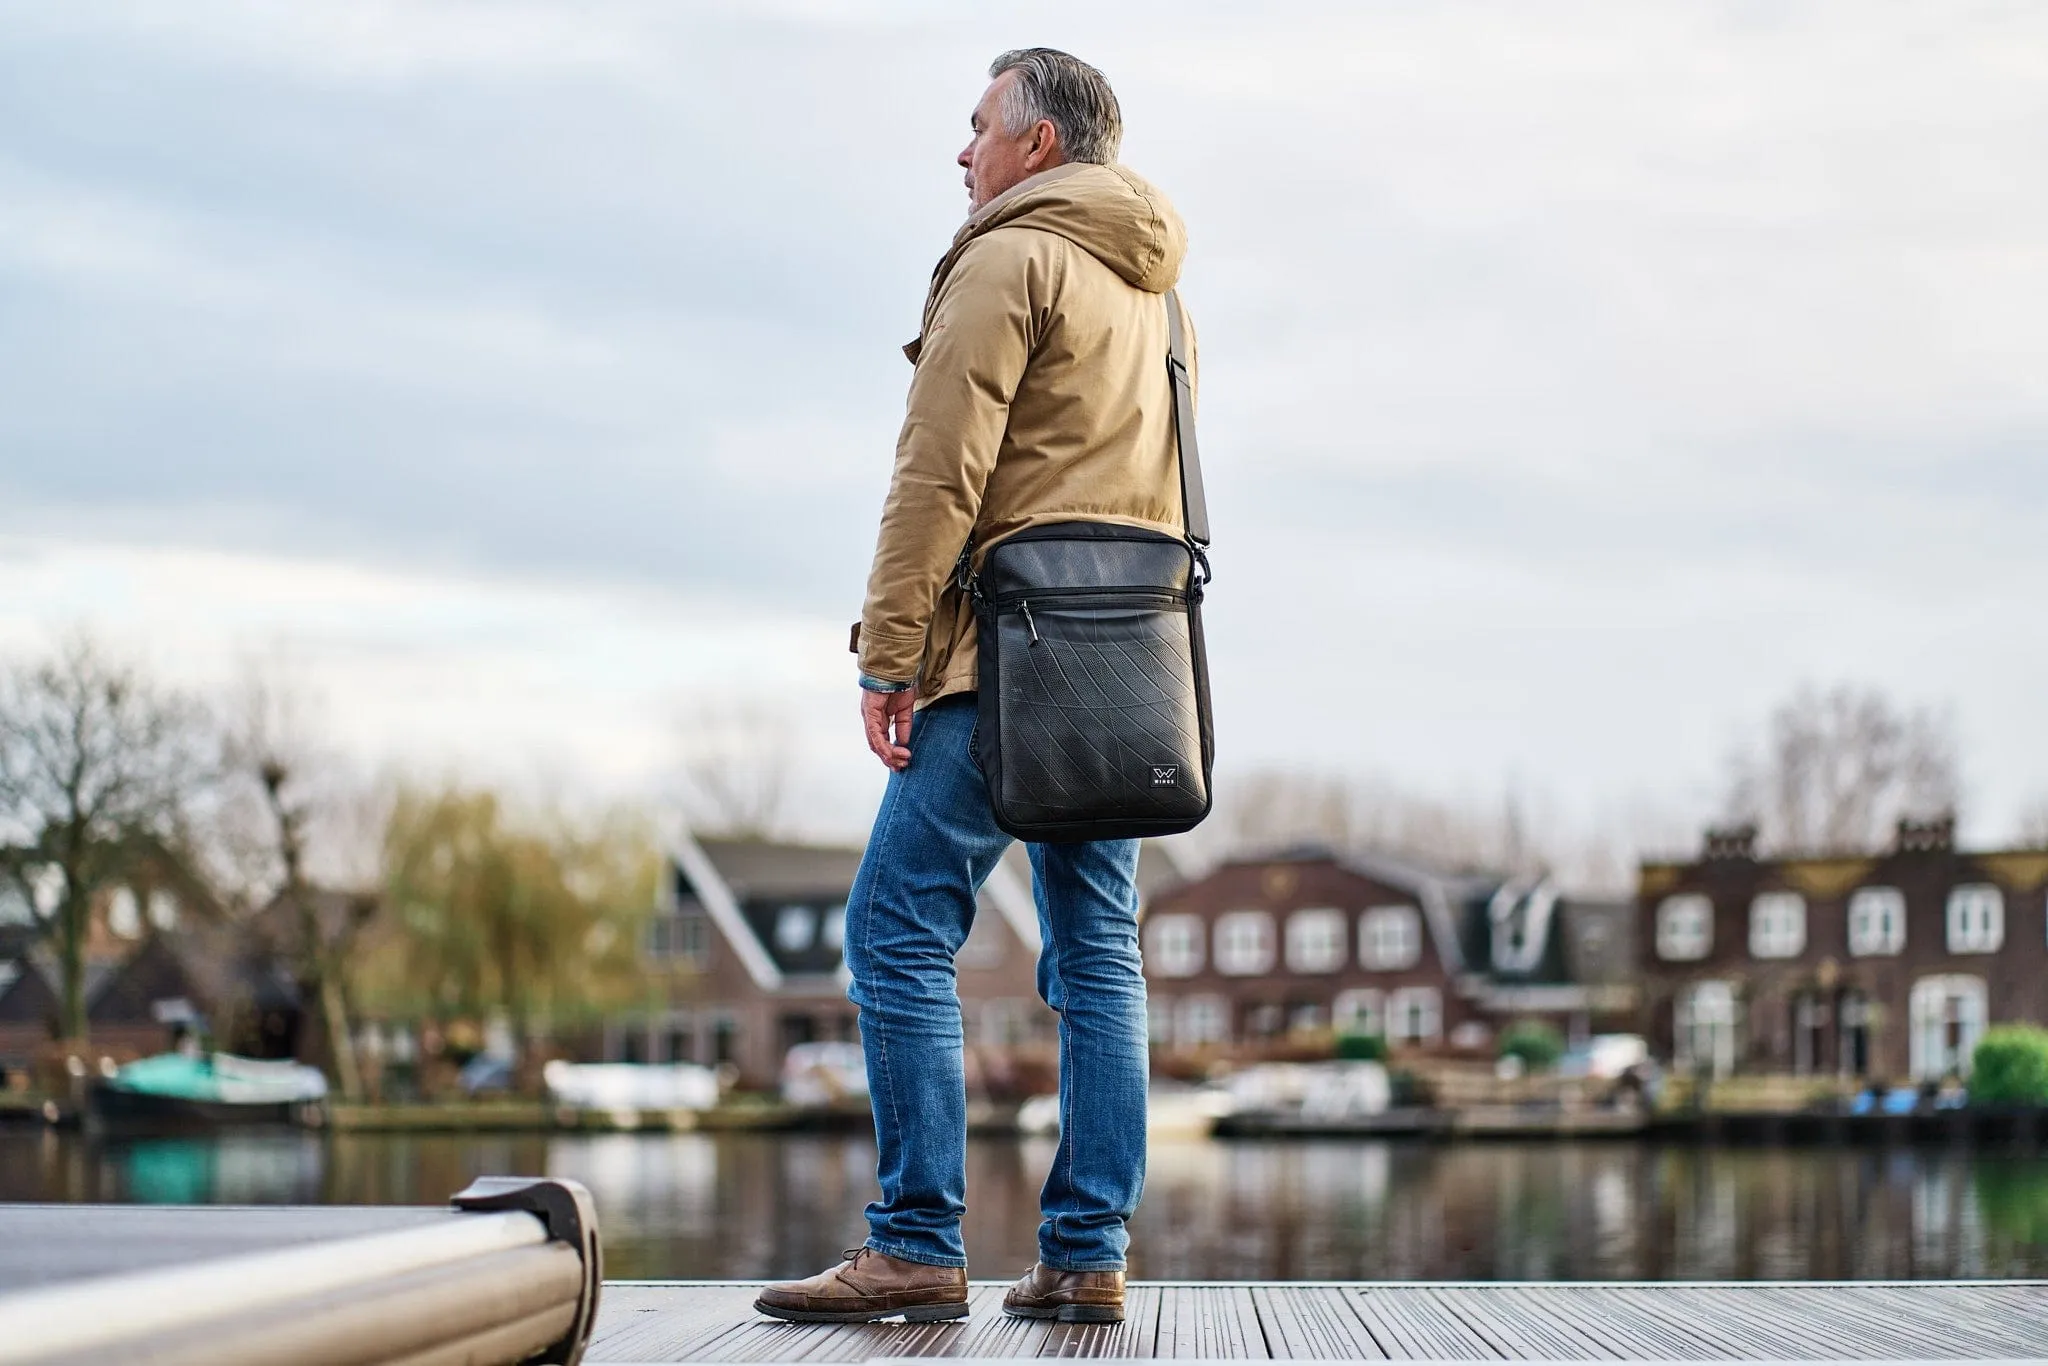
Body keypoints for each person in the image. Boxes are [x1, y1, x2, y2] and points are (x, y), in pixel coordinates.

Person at [752, 48, 1195, 1327]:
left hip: (997, 652)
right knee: (1097, 949)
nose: (960, 154)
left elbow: (937, 476)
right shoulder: (1161, 294)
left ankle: (912, 1241)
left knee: (895, 925)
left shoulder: (1008, 256)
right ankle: (1083, 1251)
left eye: (975, 127)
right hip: (1122, 663)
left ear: (1037, 145)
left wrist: (888, 651)